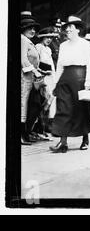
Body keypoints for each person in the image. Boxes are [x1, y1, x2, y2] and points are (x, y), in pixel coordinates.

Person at [49, 16, 90, 153]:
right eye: (67, 28)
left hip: (80, 78)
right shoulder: (63, 45)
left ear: (78, 29)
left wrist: (89, 81)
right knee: (63, 108)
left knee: (81, 109)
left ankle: (85, 139)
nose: (68, 30)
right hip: (65, 79)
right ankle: (63, 142)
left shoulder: (85, 45)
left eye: (71, 28)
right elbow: (60, 66)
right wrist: (55, 83)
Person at [21, 11, 42, 145]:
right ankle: (23, 134)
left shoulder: (28, 41)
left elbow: (31, 60)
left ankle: (27, 132)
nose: (33, 31)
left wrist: (39, 70)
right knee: (24, 104)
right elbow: (23, 59)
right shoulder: (23, 40)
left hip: (31, 78)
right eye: (30, 28)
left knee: (35, 104)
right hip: (24, 78)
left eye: (34, 28)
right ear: (23, 29)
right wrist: (35, 71)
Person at [33, 27, 58, 138]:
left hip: (51, 76)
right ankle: (40, 127)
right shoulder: (38, 47)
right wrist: (43, 70)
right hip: (42, 77)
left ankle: (47, 126)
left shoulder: (48, 49)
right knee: (45, 100)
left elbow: (51, 64)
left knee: (52, 100)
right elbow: (36, 63)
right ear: (42, 38)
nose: (49, 40)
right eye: (47, 37)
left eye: (50, 38)